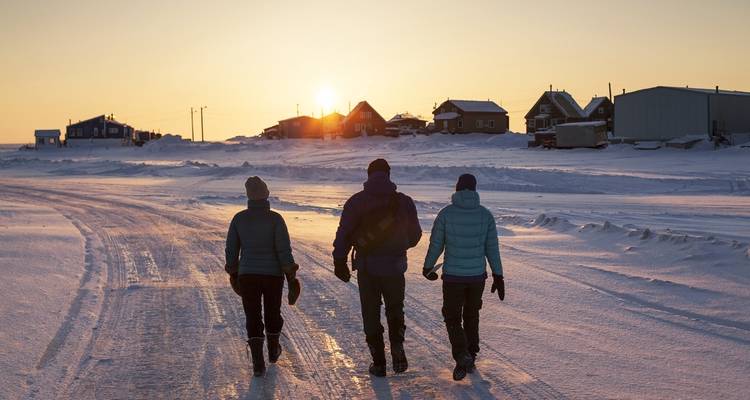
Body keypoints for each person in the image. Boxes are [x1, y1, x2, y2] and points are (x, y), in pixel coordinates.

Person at [332, 159, 422, 377]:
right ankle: (398, 347)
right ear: (388, 174)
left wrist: (339, 260)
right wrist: (399, 246)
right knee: (395, 308)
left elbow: (343, 233)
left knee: (370, 312)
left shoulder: (356, 202)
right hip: (395, 267)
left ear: (369, 174)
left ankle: (379, 362)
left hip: (367, 268)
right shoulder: (404, 202)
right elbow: (415, 235)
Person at [422, 173, 505, 381]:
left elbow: (436, 244)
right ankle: (471, 355)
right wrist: (498, 275)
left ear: (457, 189)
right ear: (475, 190)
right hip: (477, 277)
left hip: (453, 277)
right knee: (471, 314)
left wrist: (428, 266)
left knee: (452, 316)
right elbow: (492, 248)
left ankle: (462, 354)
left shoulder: (446, 214)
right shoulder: (485, 215)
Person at [225, 176, 301, 377]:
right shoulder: (276, 219)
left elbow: (231, 249)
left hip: (247, 275)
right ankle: (273, 349)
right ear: (266, 194)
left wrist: (233, 272)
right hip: (273, 276)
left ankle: (258, 362)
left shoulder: (239, 219)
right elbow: (284, 250)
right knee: (272, 312)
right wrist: (291, 276)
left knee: (252, 314)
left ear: (249, 196)